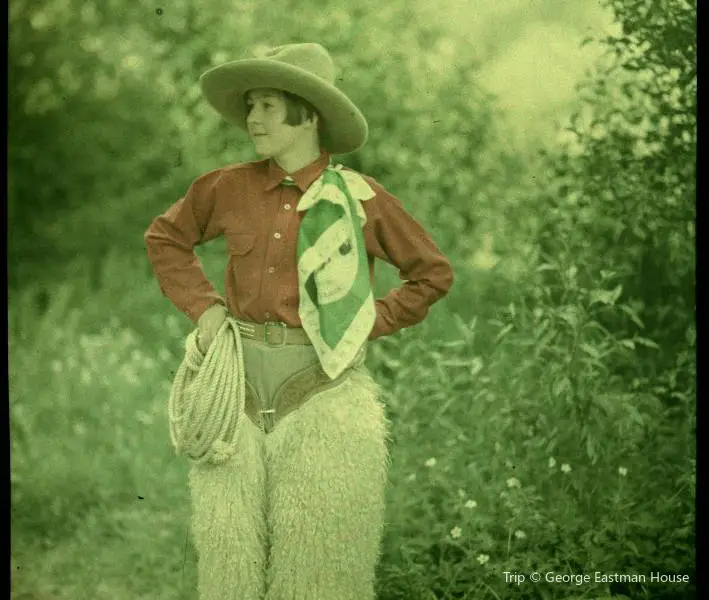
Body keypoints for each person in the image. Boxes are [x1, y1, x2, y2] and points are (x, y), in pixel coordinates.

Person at [144, 42, 454, 600]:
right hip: (232, 393)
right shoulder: (226, 187)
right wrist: (207, 307)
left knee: (319, 570)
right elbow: (166, 238)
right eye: (249, 106)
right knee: (228, 563)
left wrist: (365, 321)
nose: (251, 118)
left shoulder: (360, 198)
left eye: (266, 105)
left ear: (307, 113)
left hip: (322, 392)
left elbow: (431, 274)